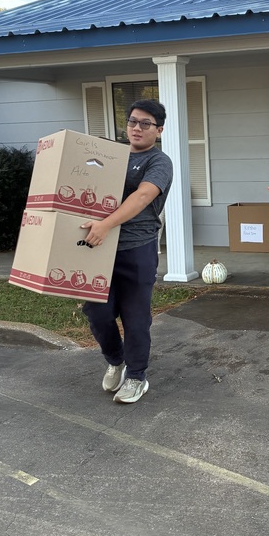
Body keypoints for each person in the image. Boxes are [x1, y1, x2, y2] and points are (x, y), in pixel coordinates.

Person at [79, 100, 173, 404]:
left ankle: (136, 376)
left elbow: (143, 196)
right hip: (98, 247)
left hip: (137, 248)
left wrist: (106, 224)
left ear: (158, 130)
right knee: (97, 312)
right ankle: (116, 360)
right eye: (133, 121)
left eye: (145, 124)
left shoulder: (159, 162)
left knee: (135, 318)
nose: (136, 128)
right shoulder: (112, 157)